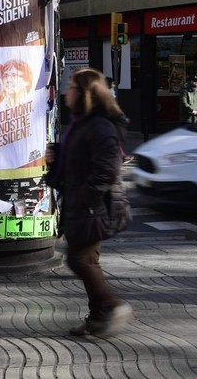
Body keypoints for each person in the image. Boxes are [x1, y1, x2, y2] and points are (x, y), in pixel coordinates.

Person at [45, 67, 133, 337]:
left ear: (85, 93)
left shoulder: (100, 126)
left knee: (79, 259)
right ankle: (98, 318)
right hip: (85, 205)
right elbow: (81, 160)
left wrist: (82, 196)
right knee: (89, 260)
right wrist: (59, 156)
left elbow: (106, 170)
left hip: (95, 207)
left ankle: (111, 304)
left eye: (71, 88)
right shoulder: (82, 122)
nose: (66, 93)